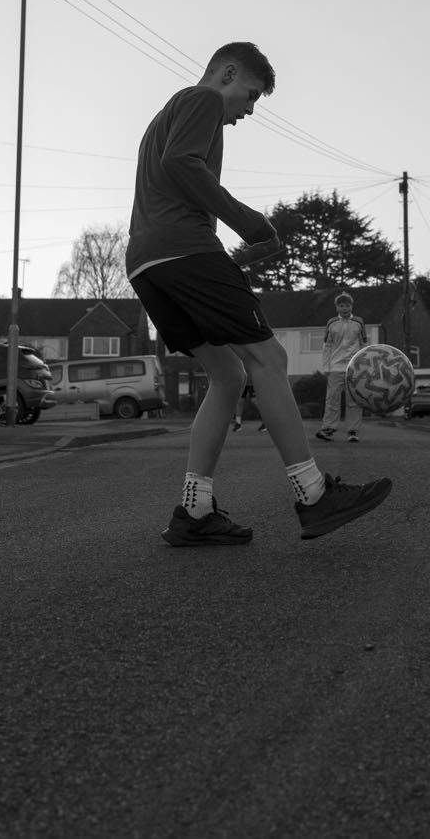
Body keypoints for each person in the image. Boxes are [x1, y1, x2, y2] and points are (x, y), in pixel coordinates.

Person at [125, 41, 392, 546]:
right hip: (183, 251)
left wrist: (237, 254)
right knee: (268, 357)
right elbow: (184, 166)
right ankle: (313, 494)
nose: (247, 111)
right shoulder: (200, 100)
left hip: (147, 262)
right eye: (249, 95)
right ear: (227, 73)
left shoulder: (165, 115)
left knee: (227, 375)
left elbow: (170, 190)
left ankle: (195, 510)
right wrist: (251, 223)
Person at [314, 291, 368, 443]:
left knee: (354, 400)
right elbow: (327, 346)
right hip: (335, 367)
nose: (344, 308)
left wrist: (364, 366)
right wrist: (326, 367)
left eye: (347, 305)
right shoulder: (331, 323)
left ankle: (353, 431)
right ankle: (328, 429)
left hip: (354, 368)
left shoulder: (358, 322)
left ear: (351, 306)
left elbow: (364, 344)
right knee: (332, 399)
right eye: (341, 306)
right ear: (337, 307)